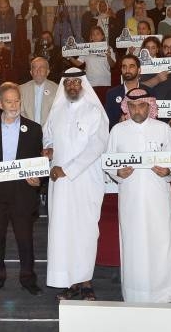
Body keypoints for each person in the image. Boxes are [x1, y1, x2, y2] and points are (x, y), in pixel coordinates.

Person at [105, 88, 171, 303]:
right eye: (132, 106)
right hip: (131, 198)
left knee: (161, 242)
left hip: (158, 198)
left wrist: (168, 171)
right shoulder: (118, 131)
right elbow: (109, 161)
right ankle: (135, 293)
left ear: (149, 106)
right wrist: (117, 172)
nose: (137, 110)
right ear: (126, 107)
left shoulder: (163, 129)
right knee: (134, 243)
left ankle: (165, 291)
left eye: (141, 105)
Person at [44, 68, 109, 301]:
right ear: (64, 85)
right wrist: (49, 149)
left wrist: (68, 169)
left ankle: (86, 281)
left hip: (85, 181)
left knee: (85, 231)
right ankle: (69, 282)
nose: (72, 86)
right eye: (68, 82)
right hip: (60, 184)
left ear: (83, 84)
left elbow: (97, 146)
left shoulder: (94, 111)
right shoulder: (56, 111)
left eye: (76, 82)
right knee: (62, 231)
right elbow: (48, 136)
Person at [0, 83, 45, 297]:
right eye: (9, 101)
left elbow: (38, 162)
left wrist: (38, 179)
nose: (14, 105)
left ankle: (28, 279)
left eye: (16, 101)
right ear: (0, 104)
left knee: (25, 240)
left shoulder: (34, 129)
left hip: (23, 193)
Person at [19, 57, 58, 126]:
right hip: (28, 128)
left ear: (48, 72)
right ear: (31, 72)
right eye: (35, 68)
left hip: (49, 129)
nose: (38, 70)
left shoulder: (57, 89)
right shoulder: (21, 89)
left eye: (42, 67)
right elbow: (20, 113)